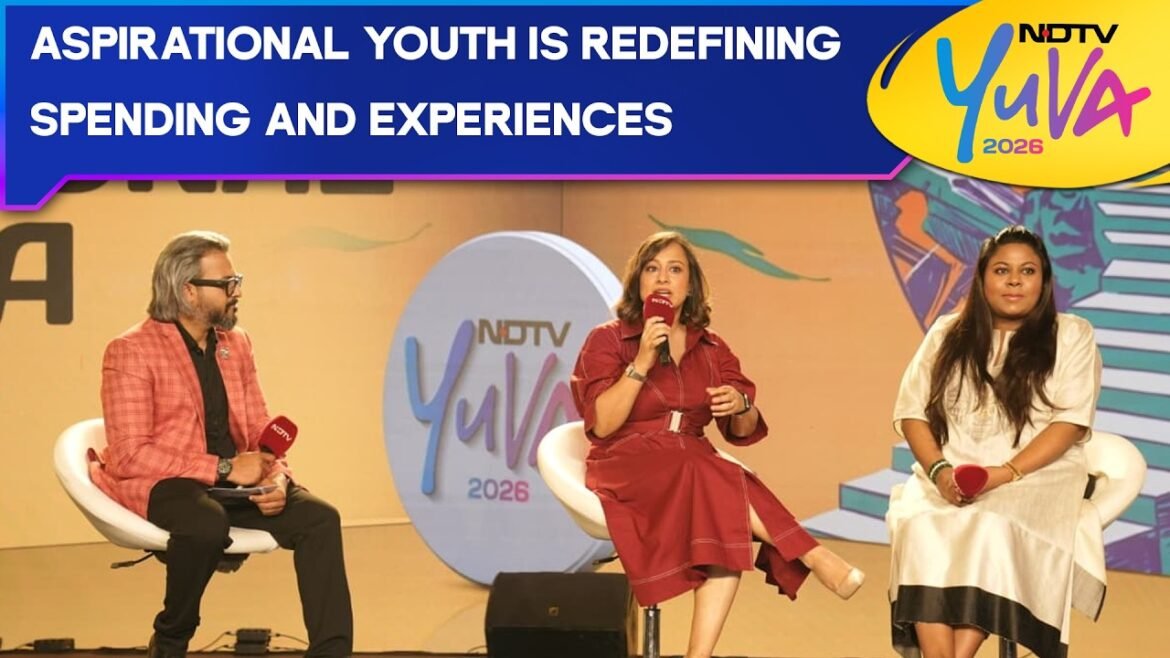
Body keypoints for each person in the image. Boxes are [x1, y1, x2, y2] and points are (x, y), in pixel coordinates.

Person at [570, 231, 865, 658]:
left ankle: (700, 655)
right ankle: (811, 553)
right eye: (652, 269)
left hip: (692, 463)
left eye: (675, 269)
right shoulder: (609, 339)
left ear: (690, 285)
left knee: (720, 513)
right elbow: (602, 424)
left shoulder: (711, 348)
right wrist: (641, 363)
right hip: (624, 462)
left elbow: (741, 431)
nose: (663, 278)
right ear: (638, 282)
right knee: (711, 473)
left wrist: (741, 404)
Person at [92, 231, 353, 658]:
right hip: (168, 482)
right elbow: (130, 454)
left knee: (321, 520)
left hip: (234, 484)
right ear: (188, 291)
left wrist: (277, 478)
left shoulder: (237, 343)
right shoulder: (131, 350)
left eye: (237, 281)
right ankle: (171, 639)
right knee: (205, 523)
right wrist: (225, 468)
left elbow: (260, 429)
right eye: (227, 283)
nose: (237, 292)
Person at [887, 226, 1104, 658]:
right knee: (919, 524)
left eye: (1028, 271)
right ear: (983, 278)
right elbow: (911, 412)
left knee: (988, 524)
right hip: (950, 471)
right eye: (1002, 270)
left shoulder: (1072, 334)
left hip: (1032, 476)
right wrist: (940, 472)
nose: (1014, 281)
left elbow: (1071, 423)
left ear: (1044, 281)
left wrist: (1002, 474)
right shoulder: (946, 333)